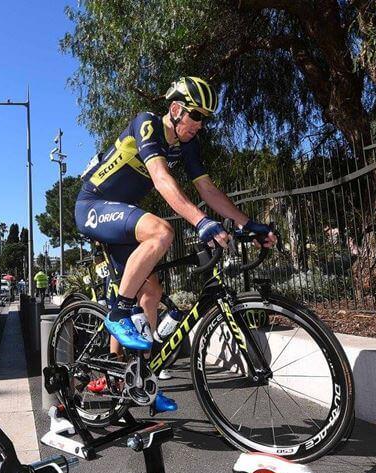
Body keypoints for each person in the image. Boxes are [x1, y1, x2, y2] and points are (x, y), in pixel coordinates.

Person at [75, 76, 276, 398]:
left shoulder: (187, 146)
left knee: (152, 291)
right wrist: (200, 222)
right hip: (93, 205)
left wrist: (248, 223)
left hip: (121, 214)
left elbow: (207, 190)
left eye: (206, 118)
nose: (200, 124)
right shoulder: (147, 125)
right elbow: (161, 178)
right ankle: (117, 314)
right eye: (196, 115)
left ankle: (126, 374)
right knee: (161, 230)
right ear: (175, 109)